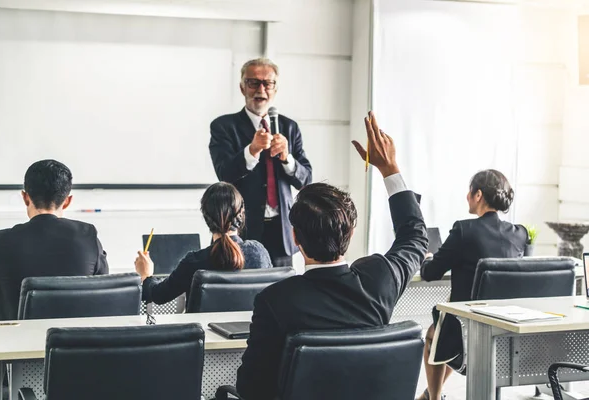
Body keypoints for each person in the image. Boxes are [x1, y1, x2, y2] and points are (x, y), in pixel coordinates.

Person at [234, 111, 428, 400]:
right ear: (350, 235)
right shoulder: (380, 279)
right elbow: (415, 236)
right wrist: (390, 168)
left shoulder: (275, 300)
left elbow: (251, 390)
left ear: (295, 238)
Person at [417, 169, 528, 400]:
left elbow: (431, 272)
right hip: (507, 331)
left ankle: (434, 397)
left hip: (468, 330)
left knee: (433, 336)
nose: (467, 197)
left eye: (469, 192)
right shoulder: (518, 234)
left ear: (478, 195)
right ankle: (430, 393)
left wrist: (427, 259)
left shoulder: (464, 230)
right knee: (447, 332)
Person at [209, 58, 312, 268]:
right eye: (253, 82)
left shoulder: (289, 127)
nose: (261, 89)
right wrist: (252, 150)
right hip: (242, 230)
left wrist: (287, 158)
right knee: (245, 293)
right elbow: (224, 175)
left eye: (268, 83)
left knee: (281, 293)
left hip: (282, 230)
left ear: (275, 88)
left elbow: (306, 179)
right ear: (242, 87)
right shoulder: (224, 126)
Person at [0, 160, 109, 321]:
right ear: (67, 200)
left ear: (25, 198)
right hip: (73, 343)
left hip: (14, 344)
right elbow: (105, 288)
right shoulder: (88, 237)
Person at [134, 182, 272, 306]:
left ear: (206, 217)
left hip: (205, 334)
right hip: (250, 333)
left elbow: (158, 295)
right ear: (241, 214)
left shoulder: (195, 261)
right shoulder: (258, 252)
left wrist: (146, 275)